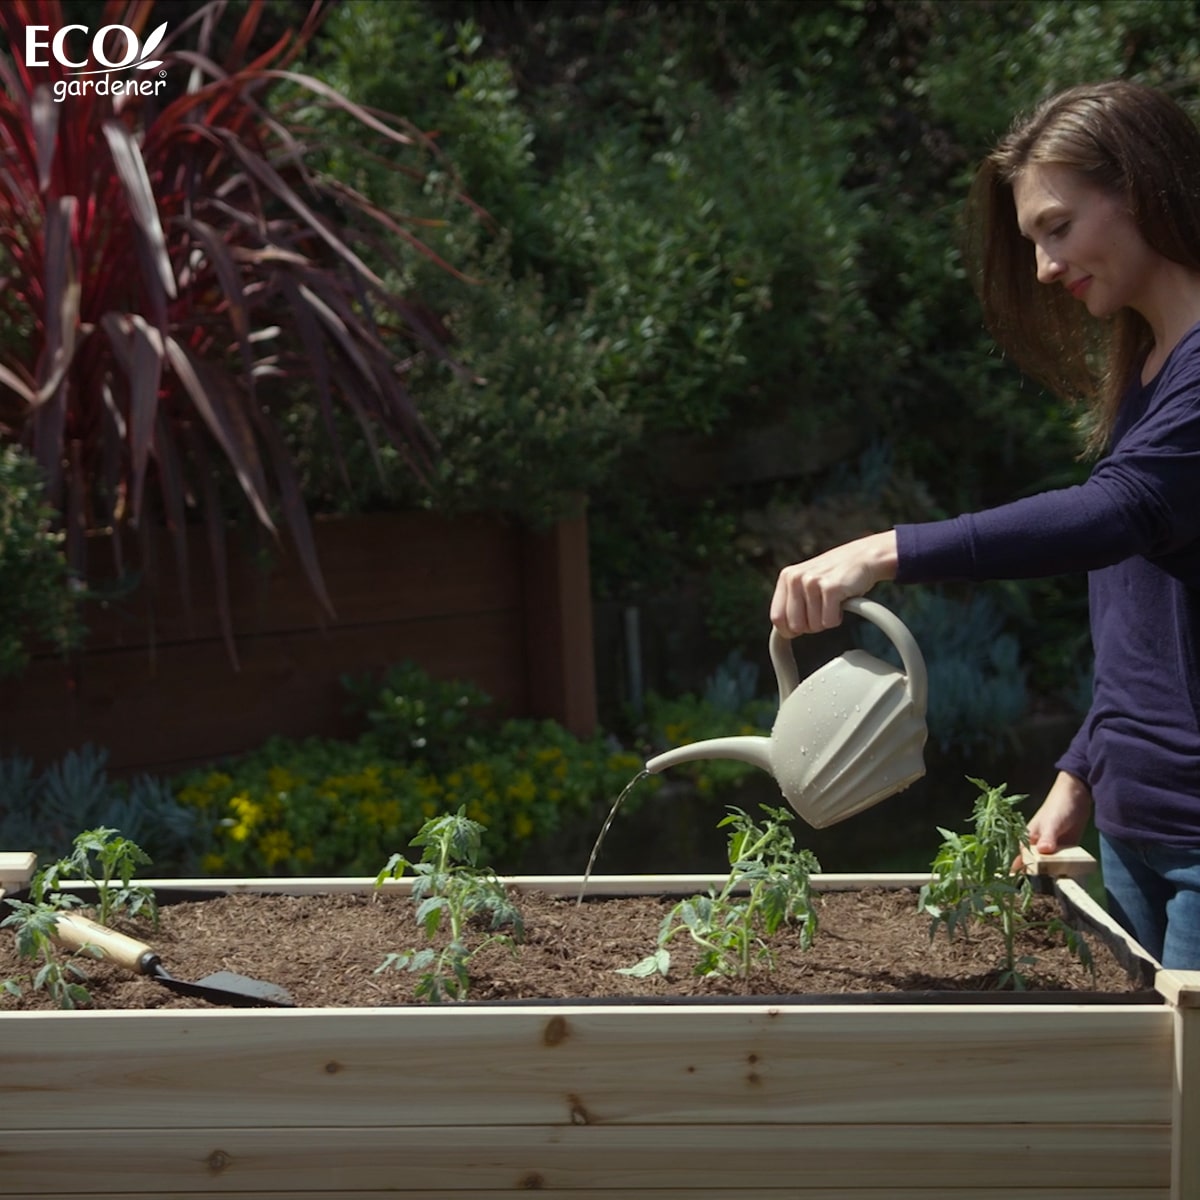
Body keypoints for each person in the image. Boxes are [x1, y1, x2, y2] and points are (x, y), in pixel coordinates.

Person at [770, 80, 1200, 970]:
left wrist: (885, 552)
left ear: (1142, 186)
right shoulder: (1152, 370)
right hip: (1133, 827)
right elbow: (1143, 614)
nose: (1045, 267)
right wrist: (1085, 767)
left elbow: (1113, 515)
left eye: (1057, 226)